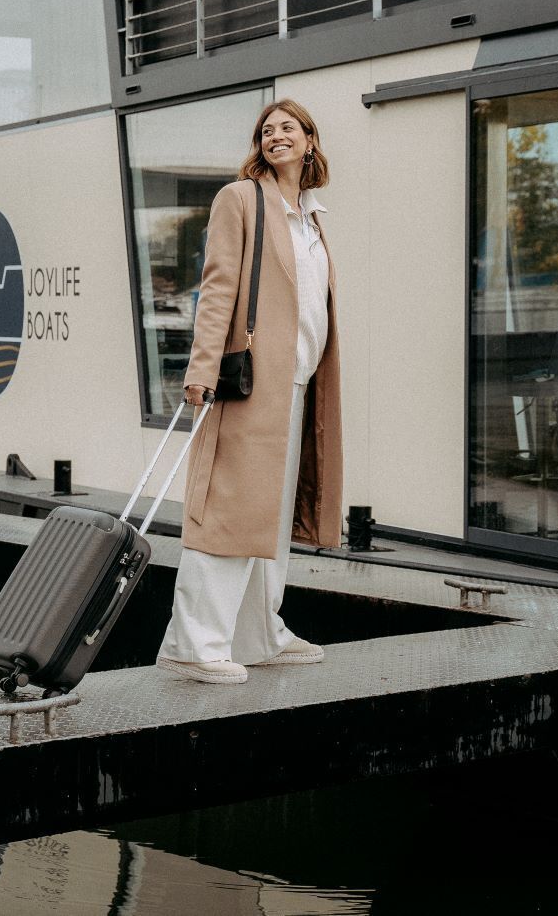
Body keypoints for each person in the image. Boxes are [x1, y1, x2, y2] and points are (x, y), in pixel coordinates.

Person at [157, 98, 342, 684]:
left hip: (297, 383)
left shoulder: (311, 216)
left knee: (270, 514)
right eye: (267, 130)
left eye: (289, 128)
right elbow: (219, 287)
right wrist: (202, 368)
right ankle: (194, 644)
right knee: (230, 511)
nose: (276, 136)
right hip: (250, 382)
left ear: (310, 141)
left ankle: (259, 632)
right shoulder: (240, 198)